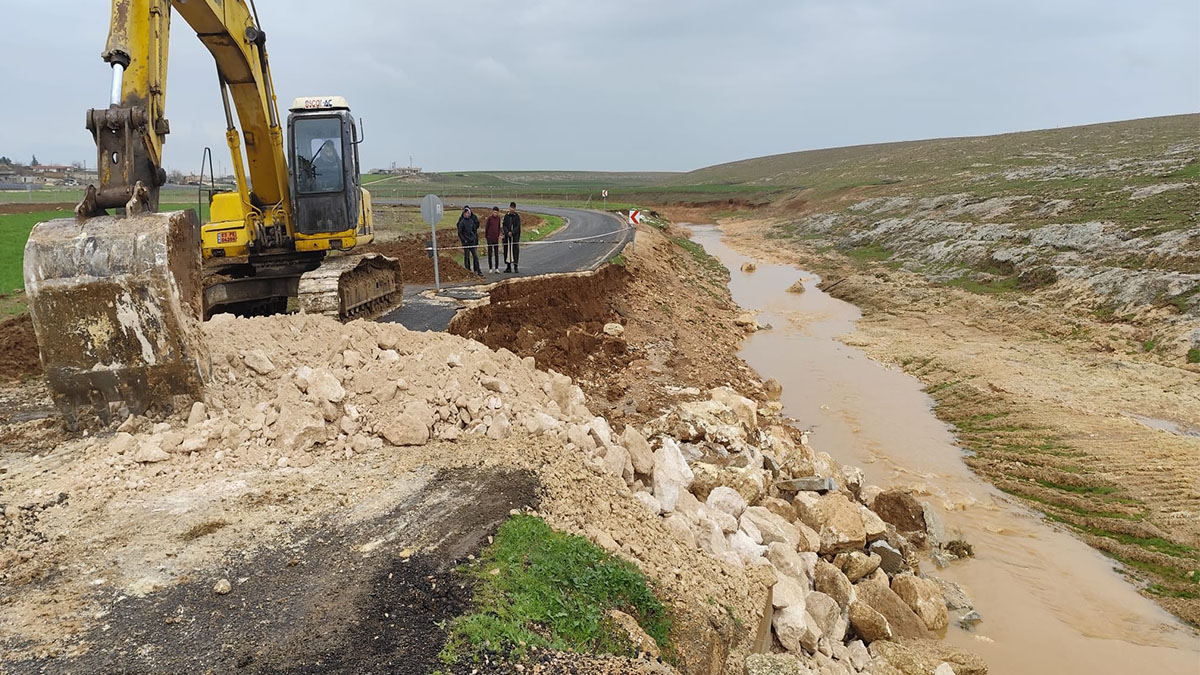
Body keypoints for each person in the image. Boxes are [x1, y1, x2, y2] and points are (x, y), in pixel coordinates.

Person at [456, 206, 481, 274]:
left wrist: (474, 238)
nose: (467, 214)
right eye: (466, 213)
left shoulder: (472, 220)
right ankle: (468, 271)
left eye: (468, 213)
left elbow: (474, 229)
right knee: (466, 257)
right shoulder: (462, 222)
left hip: (472, 241)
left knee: (475, 256)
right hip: (466, 242)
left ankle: (478, 270)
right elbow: (460, 232)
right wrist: (464, 240)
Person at [502, 201, 522, 273]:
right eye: (511, 208)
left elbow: (518, 226)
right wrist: (507, 232)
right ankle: (508, 266)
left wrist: (512, 232)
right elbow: (504, 225)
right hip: (507, 238)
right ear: (509, 208)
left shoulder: (517, 216)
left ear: (515, 209)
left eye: (513, 208)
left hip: (514, 237)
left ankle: (516, 266)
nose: (512, 209)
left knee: (515, 251)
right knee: (507, 251)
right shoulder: (506, 216)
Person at [484, 206, 502, 273]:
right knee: (490, 253)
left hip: (496, 238)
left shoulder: (498, 219)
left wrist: (498, 235)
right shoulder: (489, 218)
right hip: (489, 238)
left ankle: (496, 268)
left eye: (496, 212)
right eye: (494, 212)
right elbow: (487, 227)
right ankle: (490, 268)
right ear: (492, 212)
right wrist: (486, 236)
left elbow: (498, 228)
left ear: (498, 213)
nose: (495, 213)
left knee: (496, 253)